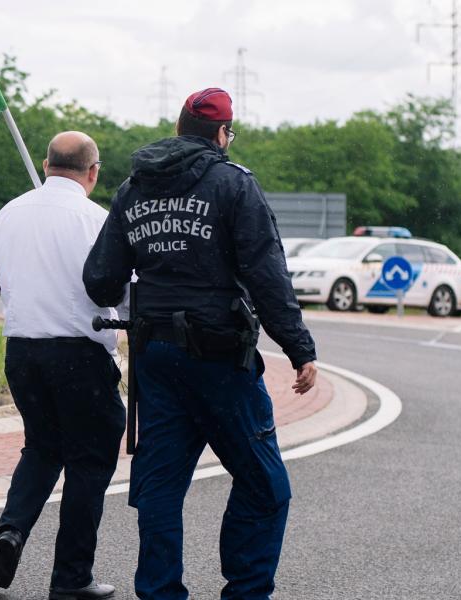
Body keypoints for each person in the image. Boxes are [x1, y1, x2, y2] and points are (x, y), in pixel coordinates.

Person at [83, 88, 319, 599]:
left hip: (156, 360)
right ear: (220, 135)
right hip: (218, 357)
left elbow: (99, 280)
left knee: (161, 488)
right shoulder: (234, 185)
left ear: (176, 129)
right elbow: (266, 275)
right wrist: (299, 348)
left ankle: (161, 592)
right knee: (265, 486)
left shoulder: (132, 189)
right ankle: (246, 592)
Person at [0, 132, 126, 600]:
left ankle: (12, 530)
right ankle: (71, 577)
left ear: (45, 165)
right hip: (79, 354)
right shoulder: (98, 221)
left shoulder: (8, 214)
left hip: (21, 350)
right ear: (94, 171)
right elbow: (123, 293)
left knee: (42, 448)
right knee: (89, 461)